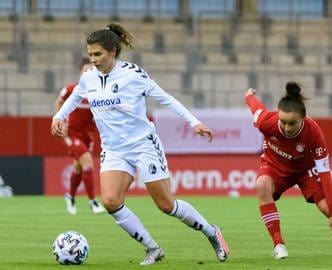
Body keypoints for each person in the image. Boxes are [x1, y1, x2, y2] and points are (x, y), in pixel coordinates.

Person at [51, 22, 229, 265]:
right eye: (91, 54)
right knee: (111, 201)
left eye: (98, 54)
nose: (93, 59)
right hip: (114, 149)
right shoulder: (89, 78)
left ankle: (211, 232)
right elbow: (75, 97)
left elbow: (166, 98)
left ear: (112, 51)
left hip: (143, 145)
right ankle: (152, 248)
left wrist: (194, 122)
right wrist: (59, 116)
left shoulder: (133, 74)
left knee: (166, 205)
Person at [244, 82, 332, 259]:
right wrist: (249, 96)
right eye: (283, 122)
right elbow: (256, 108)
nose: (287, 128)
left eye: (292, 123)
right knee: (262, 185)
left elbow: (325, 174)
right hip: (275, 166)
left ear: (303, 119)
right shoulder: (266, 122)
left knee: (327, 208)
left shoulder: (313, 134)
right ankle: (279, 245)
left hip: (306, 171)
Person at [54, 57, 106, 215]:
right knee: (88, 163)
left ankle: (70, 196)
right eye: (86, 70)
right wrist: (60, 120)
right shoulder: (72, 89)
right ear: (80, 72)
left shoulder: (98, 92)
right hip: (72, 133)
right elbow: (59, 101)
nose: (88, 73)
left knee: (79, 165)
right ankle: (93, 202)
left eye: (91, 70)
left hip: (88, 135)